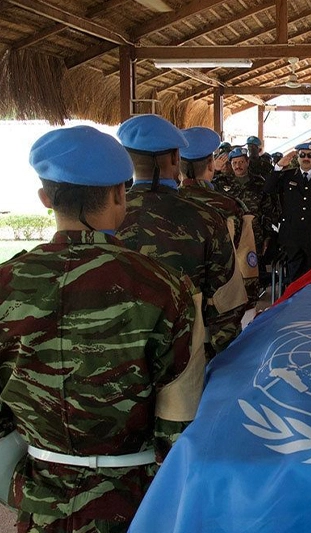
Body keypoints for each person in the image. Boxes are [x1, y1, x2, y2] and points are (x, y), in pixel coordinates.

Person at [1, 125, 204, 532]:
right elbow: (179, 419)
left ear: (45, 198)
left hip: (41, 498)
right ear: (119, 195)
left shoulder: (7, 281)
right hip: (137, 502)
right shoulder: (164, 286)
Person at [116, 114, 245, 355]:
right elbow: (226, 303)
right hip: (187, 356)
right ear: (176, 158)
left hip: (120, 357)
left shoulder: (109, 216)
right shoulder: (206, 218)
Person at [179, 127, 259, 302]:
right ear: (211, 165)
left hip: (173, 306)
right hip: (217, 306)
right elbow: (246, 268)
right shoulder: (231, 207)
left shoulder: (162, 203)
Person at [266, 142, 311, 282]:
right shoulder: (287, 175)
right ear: (297, 157)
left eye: (310, 155)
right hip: (292, 236)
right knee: (294, 277)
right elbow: (268, 188)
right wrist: (278, 166)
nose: (306, 158)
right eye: (302, 155)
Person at [214, 146, 281, 286]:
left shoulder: (259, 182)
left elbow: (269, 210)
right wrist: (215, 169)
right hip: (229, 236)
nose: (238, 166)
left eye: (241, 162)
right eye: (234, 163)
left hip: (254, 236)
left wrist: (268, 235)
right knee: (230, 275)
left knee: (253, 274)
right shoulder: (221, 182)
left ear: (247, 162)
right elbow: (204, 188)